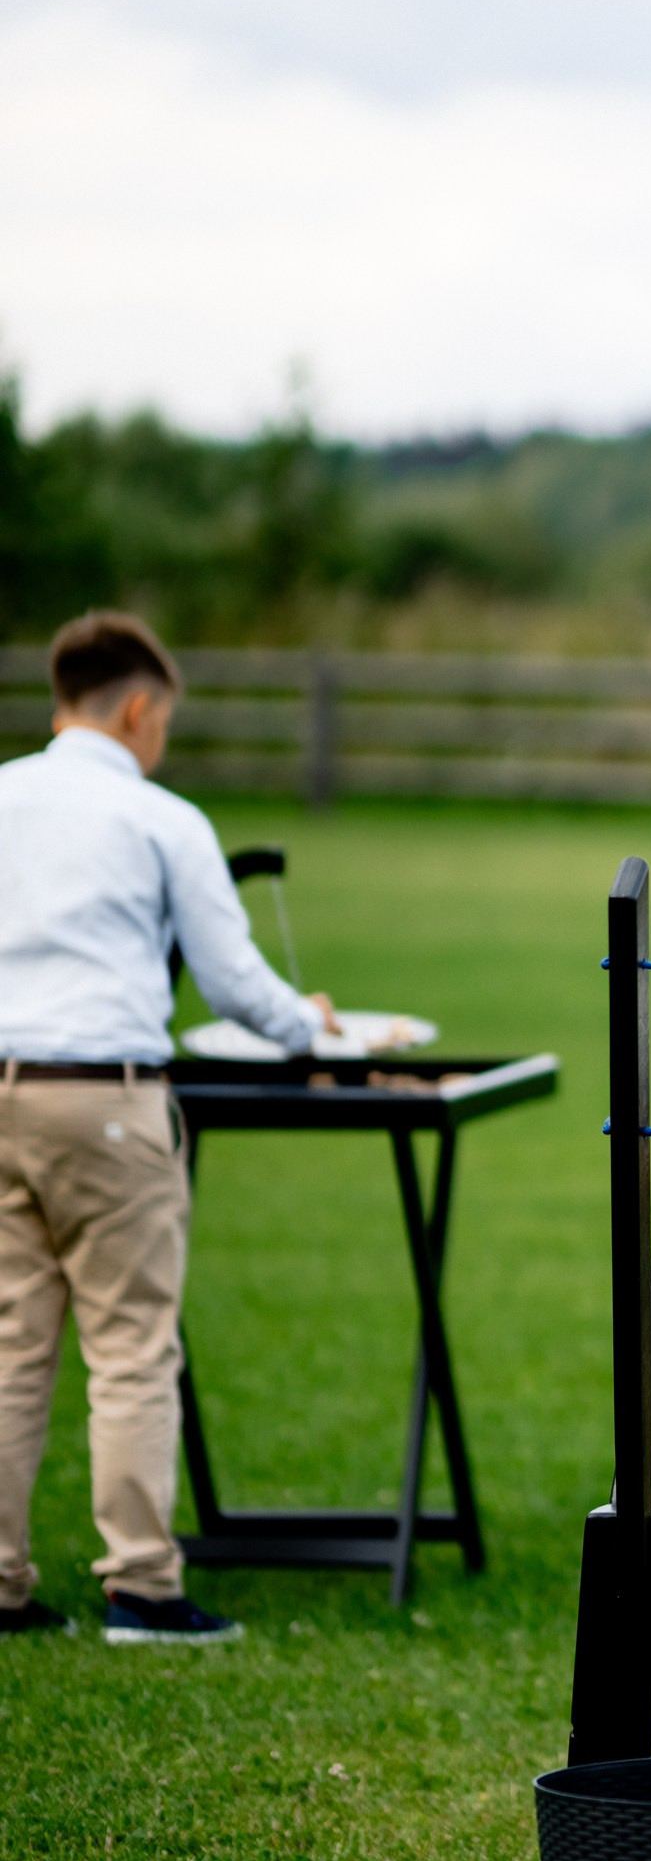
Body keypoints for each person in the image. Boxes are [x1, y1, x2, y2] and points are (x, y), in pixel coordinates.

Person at [0, 611, 333, 1644]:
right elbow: (233, 981)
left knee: (11, 1346)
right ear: (140, 709)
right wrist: (308, 1029)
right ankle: (142, 1585)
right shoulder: (159, 818)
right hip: (106, 1099)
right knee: (133, 1345)